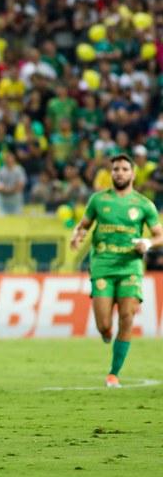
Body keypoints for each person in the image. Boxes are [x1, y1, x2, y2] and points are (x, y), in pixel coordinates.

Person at [70, 153, 163, 388]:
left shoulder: (143, 204)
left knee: (127, 316)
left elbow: (159, 235)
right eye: (115, 169)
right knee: (103, 324)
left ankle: (113, 373)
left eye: (123, 169)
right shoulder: (98, 200)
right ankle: (105, 332)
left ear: (132, 174)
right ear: (111, 173)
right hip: (102, 265)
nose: (119, 173)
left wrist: (148, 243)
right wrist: (77, 234)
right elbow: (84, 225)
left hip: (130, 266)